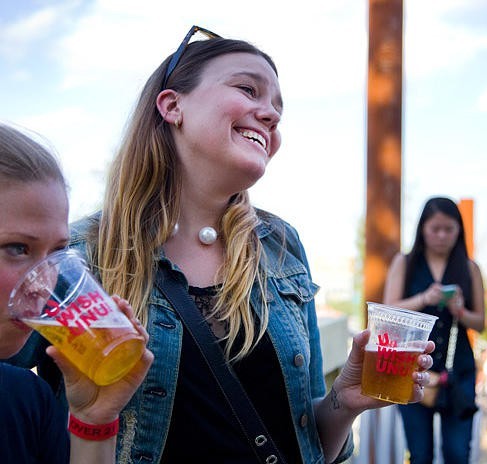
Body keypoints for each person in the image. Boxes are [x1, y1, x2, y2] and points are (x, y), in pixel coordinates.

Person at [13, 27, 434, 463]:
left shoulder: (280, 247)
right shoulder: (80, 254)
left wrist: (344, 400)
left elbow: (308, 446)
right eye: (248, 89)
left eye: (277, 108)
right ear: (172, 105)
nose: (269, 115)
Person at [0, 122, 154, 463]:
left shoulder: (24, 399)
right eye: (17, 248)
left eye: (57, 253)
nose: (45, 284)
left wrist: (93, 420)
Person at [383, 196, 485, 464]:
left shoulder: (470, 268)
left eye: (449, 229)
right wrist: (424, 299)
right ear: (422, 229)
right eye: (435, 228)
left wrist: (460, 311)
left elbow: (481, 323)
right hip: (412, 368)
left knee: (457, 453)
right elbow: (388, 311)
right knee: (419, 454)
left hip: (457, 371)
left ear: (458, 231)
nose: (441, 235)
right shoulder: (404, 263)